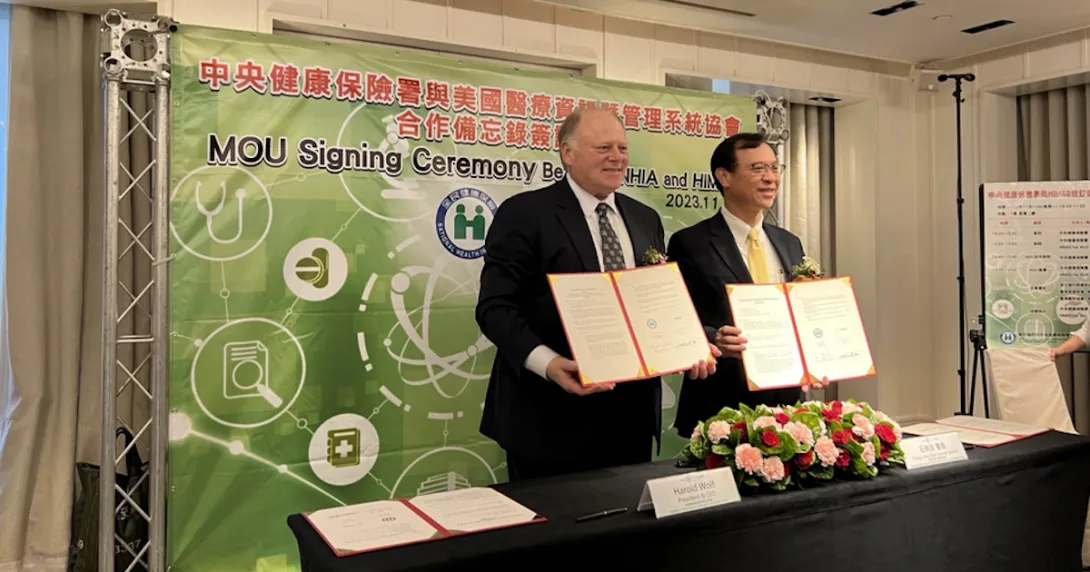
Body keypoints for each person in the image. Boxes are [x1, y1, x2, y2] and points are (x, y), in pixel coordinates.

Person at [476, 103, 720, 481]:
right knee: (555, 536)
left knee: (625, 534)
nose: (617, 157)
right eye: (603, 148)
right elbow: (496, 307)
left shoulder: (645, 219)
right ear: (567, 152)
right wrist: (549, 364)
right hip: (549, 413)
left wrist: (694, 342)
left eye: (622, 148)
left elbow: (651, 301)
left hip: (632, 415)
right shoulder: (525, 213)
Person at [668, 132, 819, 439]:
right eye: (757, 169)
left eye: (775, 168)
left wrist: (816, 353)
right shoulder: (691, 243)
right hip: (721, 408)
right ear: (724, 176)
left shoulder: (789, 243)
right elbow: (674, 317)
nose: (770, 178)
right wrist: (714, 339)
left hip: (786, 408)